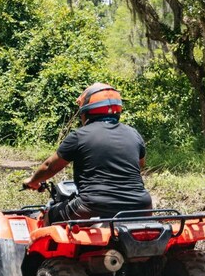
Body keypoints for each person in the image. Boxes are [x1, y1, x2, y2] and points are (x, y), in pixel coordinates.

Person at [23, 83, 152, 223]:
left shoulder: (79, 136)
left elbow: (50, 167)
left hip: (91, 206)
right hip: (142, 206)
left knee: (49, 214)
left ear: (87, 111)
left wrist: (32, 181)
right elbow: (140, 166)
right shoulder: (134, 134)